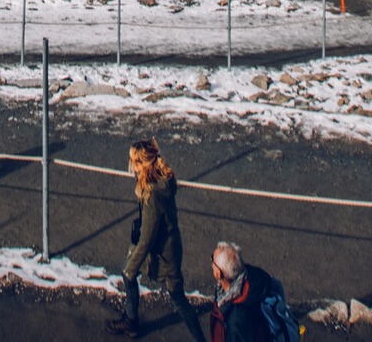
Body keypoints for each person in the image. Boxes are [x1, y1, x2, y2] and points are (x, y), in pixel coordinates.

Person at [112, 138, 197, 338]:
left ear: (143, 163)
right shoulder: (160, 180)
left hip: (163, 256)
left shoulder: (152, 195)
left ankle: (200, 338)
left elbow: (147, 239)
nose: (131, 166)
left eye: (134, 162)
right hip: (166, 248)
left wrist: (131, 269)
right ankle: (131, 320)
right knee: (129, 273)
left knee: (178, 299)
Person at [205, 242, 296, 342]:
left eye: (212, 259)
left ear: (218, 273)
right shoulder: (257, 279)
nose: (211, 262)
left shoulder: (235, 322)